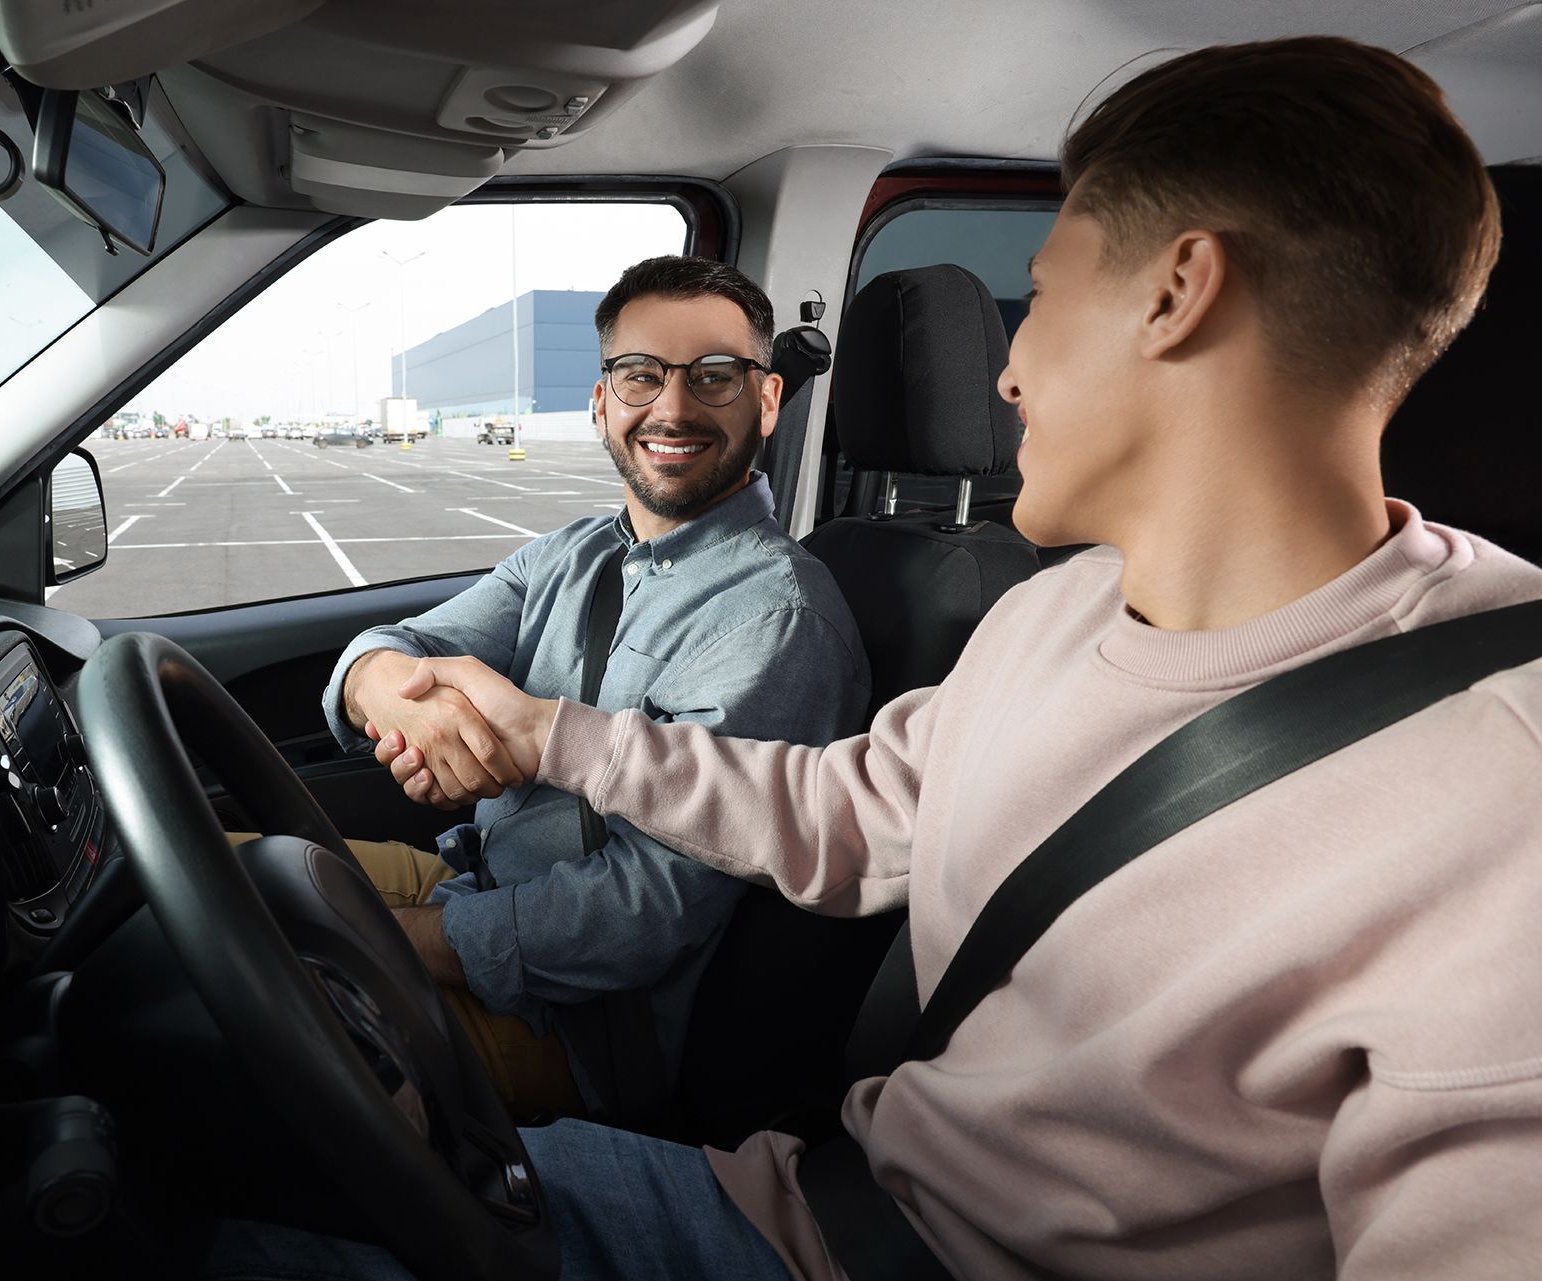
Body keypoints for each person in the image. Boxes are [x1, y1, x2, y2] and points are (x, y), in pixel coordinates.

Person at [254, 35, 1542, 1281]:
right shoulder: (1061, 610)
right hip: (816, 1202)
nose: (1010, 375)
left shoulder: (1504, 787)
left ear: (1176, 290)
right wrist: (548, 738)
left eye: (1041, 296)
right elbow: (850, 814)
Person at [319, 255, 870, 1119]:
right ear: (601, 400)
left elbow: (642, 913)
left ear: (766, 401)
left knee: (236, 1031)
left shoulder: (776, 617)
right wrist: (382, 688)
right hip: (472, 885)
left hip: (579, 1029)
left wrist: (396, 939)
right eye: (641, 374)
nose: (674, 406)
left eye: (715, 376)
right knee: (212, 872)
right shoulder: (569, 553)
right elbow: (410, 644)